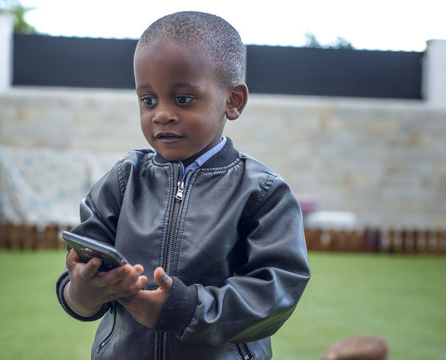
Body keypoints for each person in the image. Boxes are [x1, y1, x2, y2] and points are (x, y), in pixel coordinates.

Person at [56, 11, 310, 359]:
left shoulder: (262, 192)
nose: (161, 114)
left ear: (233, 101)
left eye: (183, 99)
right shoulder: (122, 180)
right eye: (148, 100)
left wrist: (184, 310)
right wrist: (83, 291)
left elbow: (275, 291)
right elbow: (80, 282)